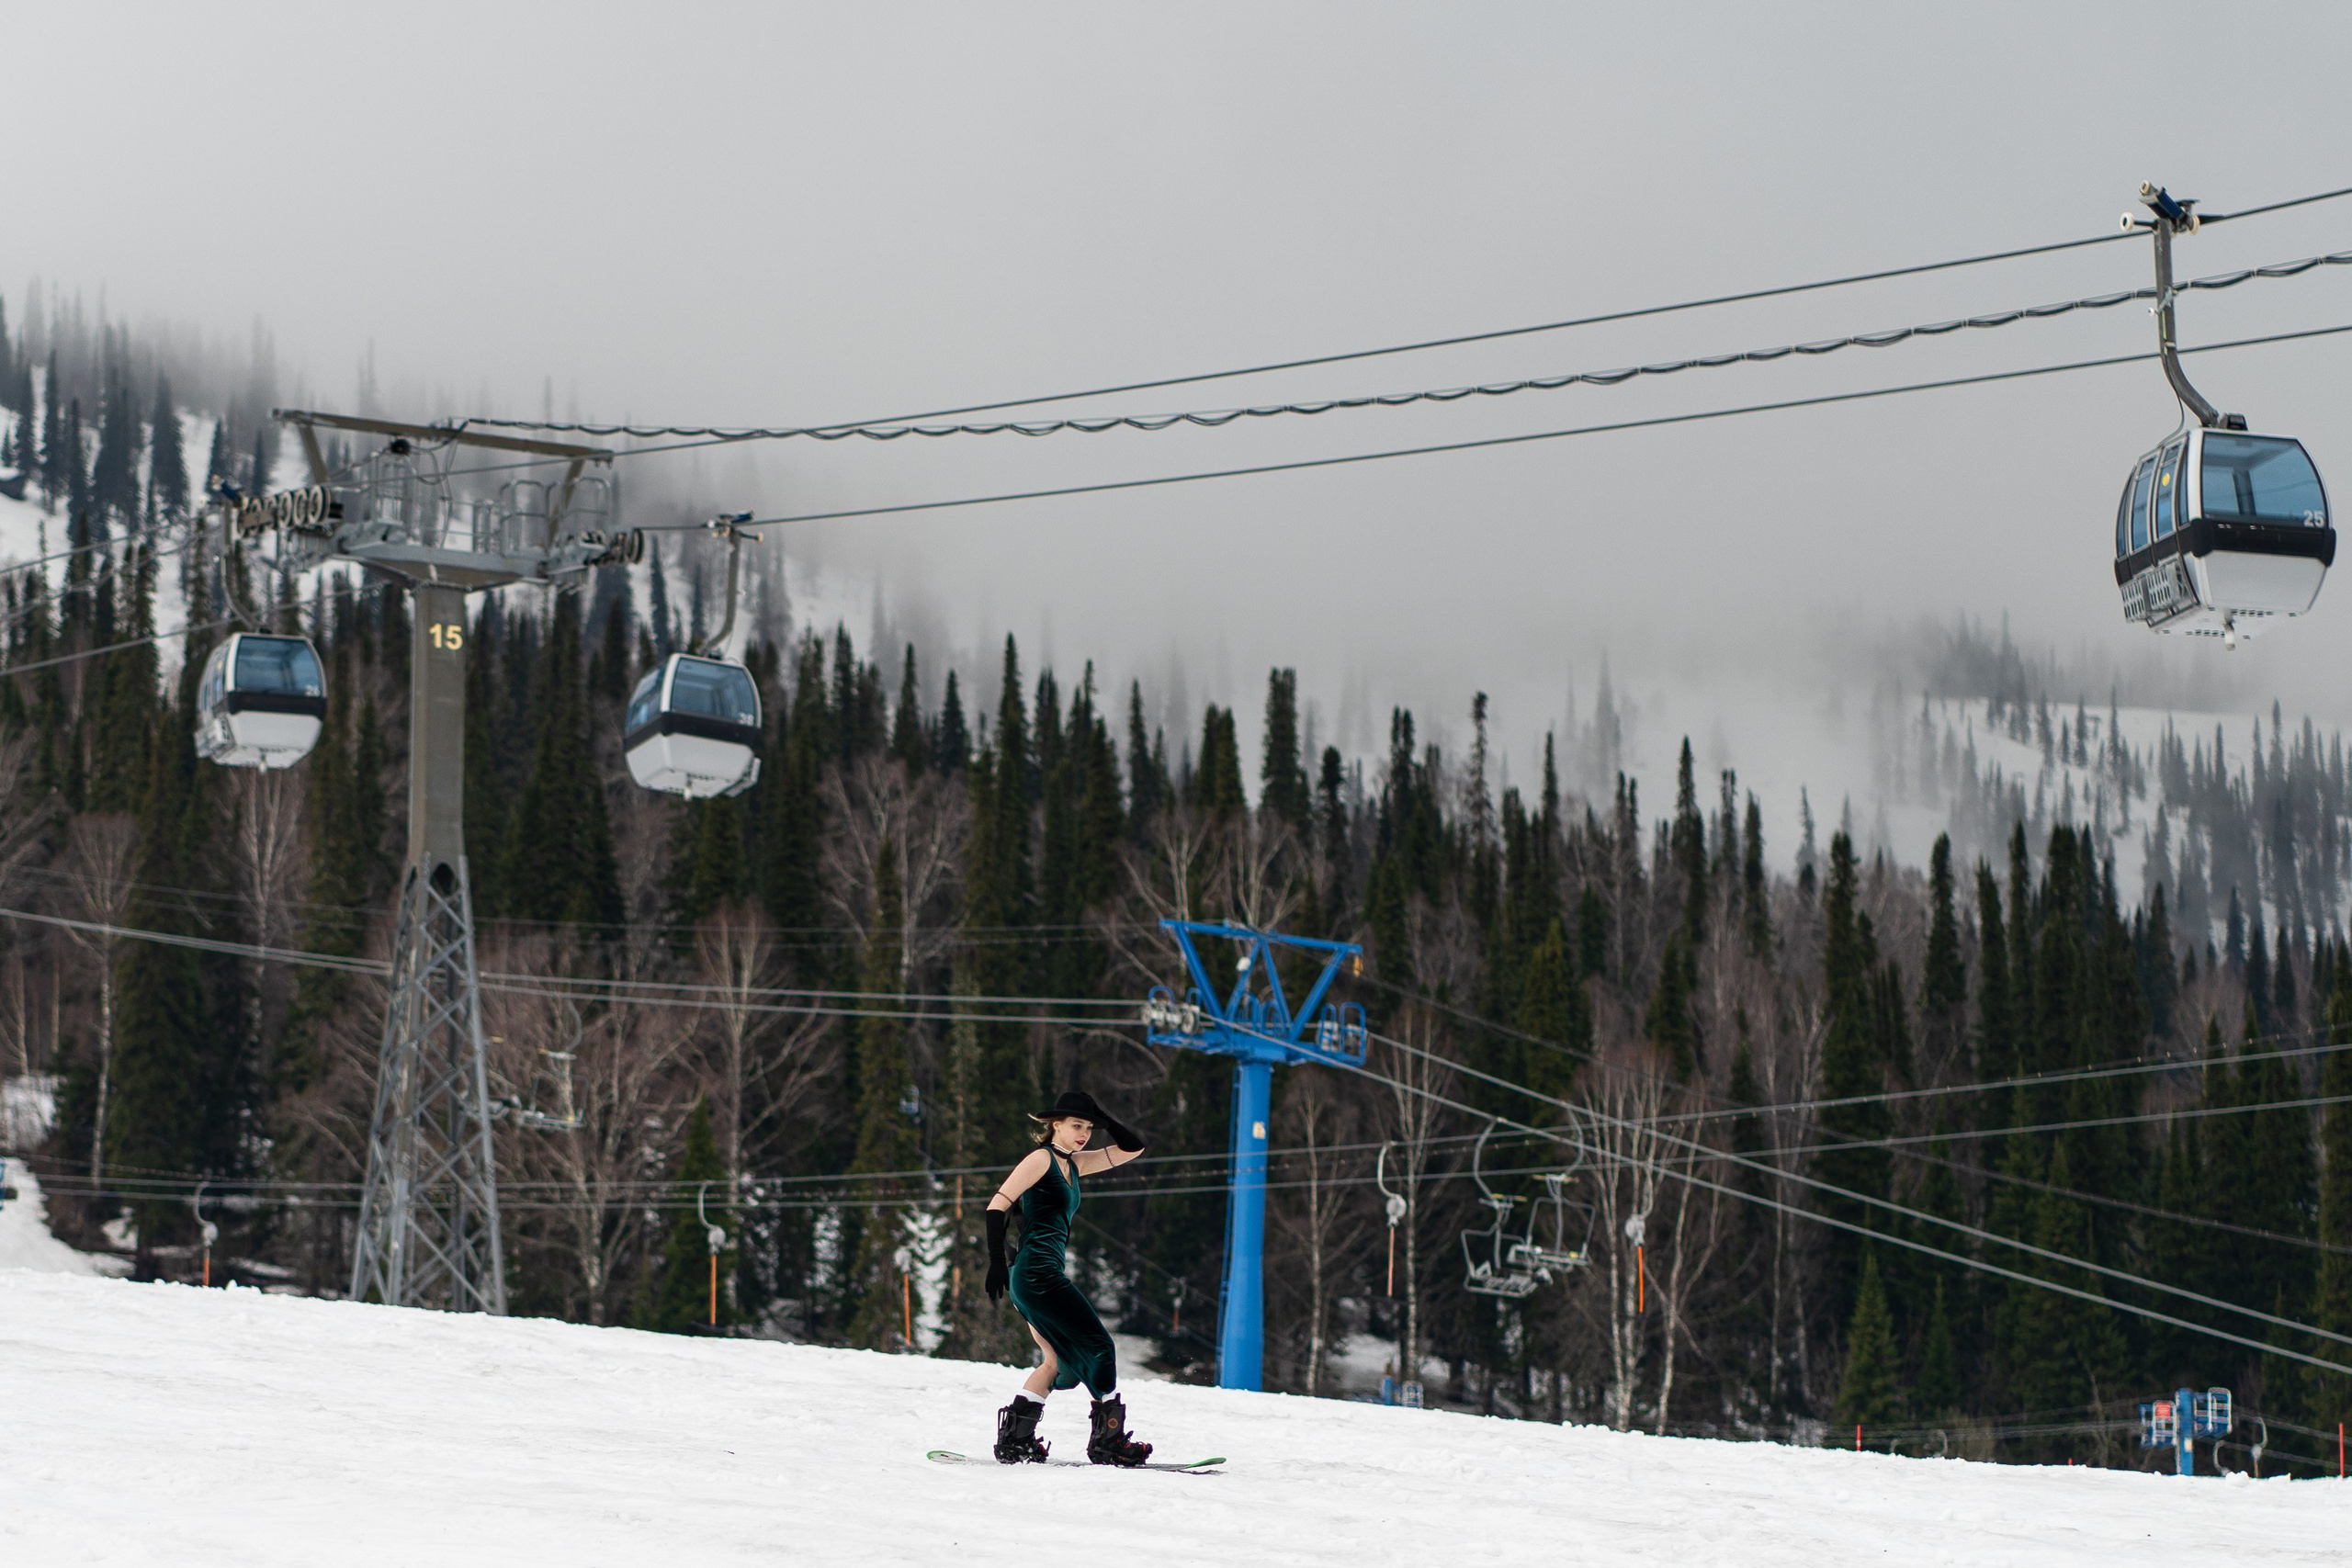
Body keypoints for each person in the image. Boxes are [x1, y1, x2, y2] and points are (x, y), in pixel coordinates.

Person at [985, 1089, 1153, 1465]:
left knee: (1055, 1363)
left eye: (1089, 1128)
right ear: (1054, 1125)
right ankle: (1108, 1443)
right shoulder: (1041, 1159)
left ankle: (1015, 1441)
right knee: (1101, 1347)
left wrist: (1104, 1117)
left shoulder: (1075, 1165)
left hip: (1040, 1274)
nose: (1084, 1134)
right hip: (1037, 1275)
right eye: (1077, 1125)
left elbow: (1133, 1147)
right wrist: (997, 1260)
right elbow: (997, 1206)